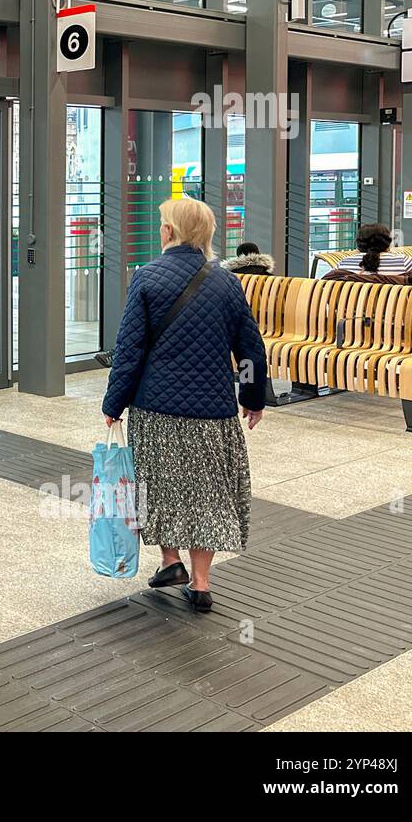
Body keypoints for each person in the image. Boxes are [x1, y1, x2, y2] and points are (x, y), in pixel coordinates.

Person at [101, 198, 268, 614]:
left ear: (171, 232)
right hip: (213, 412)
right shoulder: (226, 283)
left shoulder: (147, 277)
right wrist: (252, 398)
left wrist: (114, 402)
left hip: (156, 409)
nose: (160, 230)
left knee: (157, 488)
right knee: (209, 493)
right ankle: (202, 583)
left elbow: (129, 351)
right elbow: (250, 349)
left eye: (162, 224)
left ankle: (169, 559)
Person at [322, 223, 412, 286]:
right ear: (387, 241)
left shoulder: (344, 262)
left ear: (359, 242)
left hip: (351, 319)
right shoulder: (404, 261)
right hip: (394, 318)